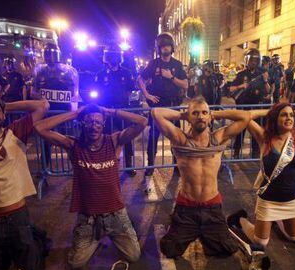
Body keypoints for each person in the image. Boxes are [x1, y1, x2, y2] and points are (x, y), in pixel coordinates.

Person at [34, 104, 147, 269]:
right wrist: (75, 114)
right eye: (90, 122)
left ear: (103, 125)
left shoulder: (114, 141)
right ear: (83, 124)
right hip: (88, 217)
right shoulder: (74, 145)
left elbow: (142, 122)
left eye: (98, 123)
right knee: (76, 263)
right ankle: (97, 236)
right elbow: (39, 127)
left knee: (134, 255)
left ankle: (107, 233)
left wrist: (112, 110)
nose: (94, 126)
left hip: (115, 214)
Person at [151, 97, 253, 258]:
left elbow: (245, 117)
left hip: (212, 207)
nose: (200, 117)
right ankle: (188, 227)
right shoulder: (181, 140)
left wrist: (215, 114)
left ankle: (232, 221)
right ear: (188, 117)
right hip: (186, 208)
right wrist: (183, 115)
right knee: (170, 249)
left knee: (226, 249)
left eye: (204, 113)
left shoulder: (217, 139)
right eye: (195, 113)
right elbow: (156, 113)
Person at [0, 95, 50, 270]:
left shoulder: (15, 133)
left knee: (29, 269)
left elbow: (42, 106)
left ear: (4, 114)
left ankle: (37, 238)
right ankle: (8, 248)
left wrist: (4, 105)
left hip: (17, 216)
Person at [227, 101, 295, 247]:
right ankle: (240, 219)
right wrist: (270, 112)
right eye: (283, 115)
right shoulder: (264, 137)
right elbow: (245, 116)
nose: (289, 118)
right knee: (260, 242)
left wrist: (291, 112)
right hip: (268, 198)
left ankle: (276, 221)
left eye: (291, 115)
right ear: (274, 119)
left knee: (294, 237)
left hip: (290, 198)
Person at [137, 33, 188, 176]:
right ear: (159, 48)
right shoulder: (153, 64)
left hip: (173, 107)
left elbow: (185, 84)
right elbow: (140, 79)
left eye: (168, 46)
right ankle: (150, 165)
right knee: (153, 137)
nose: (165, 48)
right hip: (157, 107)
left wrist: (170, 77)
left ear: (172, 47)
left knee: (176, 138)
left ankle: (177, 165)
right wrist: (147, 95)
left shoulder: (177, 65)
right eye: (163, 46)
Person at [95, 45, 136, 176]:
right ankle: (106, 165)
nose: (112, 58)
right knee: (106, 138)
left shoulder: (126, 72)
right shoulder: (101, 74)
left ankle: (129, 167)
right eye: (110, 56)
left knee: (127, 137)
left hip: (122, 109)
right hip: (106, 110)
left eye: (114, 55)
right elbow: (96, 90)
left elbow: (131, 90)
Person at [230, 48, 271, 158]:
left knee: (256, 131)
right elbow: (231, 89)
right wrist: (240, 86)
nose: (253, 62)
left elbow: (268, 90)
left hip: (257, 108)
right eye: (251, 60)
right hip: (243, 107)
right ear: (247, 61)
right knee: (240, 130)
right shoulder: (241, 74)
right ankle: (236, 152)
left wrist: (266, 80)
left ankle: (255, 152)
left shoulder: (262, 74)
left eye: (255, 60)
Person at [33, 43, 79, 111]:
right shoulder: (40, 71)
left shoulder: (68, 72)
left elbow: (72, 93)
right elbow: (35, 92)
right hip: (51, 111)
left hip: (59, 111)